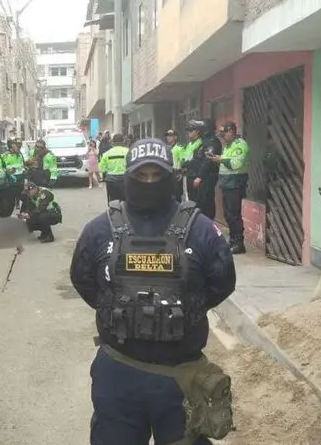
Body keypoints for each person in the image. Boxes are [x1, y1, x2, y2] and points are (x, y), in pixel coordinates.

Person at [69, 138, 237, 445]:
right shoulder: (100, 229)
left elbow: (222, 282)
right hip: (118, 372)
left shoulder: (201, 229)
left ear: (170, 177)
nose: (148, 182)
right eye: (141, 175)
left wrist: (185, 310)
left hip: (180, 378)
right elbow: (83, 279)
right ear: (128, 177)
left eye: (156, 175)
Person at [210, 122, 249, 255]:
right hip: (227, 184)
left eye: (224, 134)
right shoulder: (228, 145)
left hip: (235, 184)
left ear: (231, 132)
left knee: (234, 214)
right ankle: (233, 240)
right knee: (228, 214)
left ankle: (238, 243)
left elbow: (235, 164)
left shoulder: (240, 144)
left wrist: (220, 159)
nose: (222, 137)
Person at [183, 120, 222, 220]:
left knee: (206, 203)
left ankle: (208, 223)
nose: (199, 131)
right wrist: (186, 165)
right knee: (199, 203)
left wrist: (200, 177)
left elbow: (208, 161)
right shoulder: (204, 142)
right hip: (199, 177)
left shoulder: (213, 142)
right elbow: (197, 159)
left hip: (208, 177)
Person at [99, 133, 130, 203]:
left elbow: (102, 168)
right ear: (123, 141)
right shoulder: (128, 152)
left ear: (112, 142)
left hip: (111, 180)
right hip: (125, 179)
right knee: (126, 200)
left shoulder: (106, 154)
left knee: (113, 201)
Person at [1, 139, 26, 217]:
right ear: (11, 146)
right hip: (10, 183)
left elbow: (22, 166)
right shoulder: (4, 156)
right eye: (15, 145)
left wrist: (25, 170)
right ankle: (5, 218)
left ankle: (22, 215)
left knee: (26, 199)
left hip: (20, 182)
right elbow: (1, 168)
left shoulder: (19, 154)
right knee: (10, 204)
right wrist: (8, 171)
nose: (18, 147)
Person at [164, 129, 187, 202]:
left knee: (176, 195)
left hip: (176, 173)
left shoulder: (179, 148)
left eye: (171, 136)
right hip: (167, 172)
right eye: (167, 136)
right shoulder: (165, 148)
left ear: (175, 137)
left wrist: (181, 173)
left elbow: (183, 161)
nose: (168, 138)